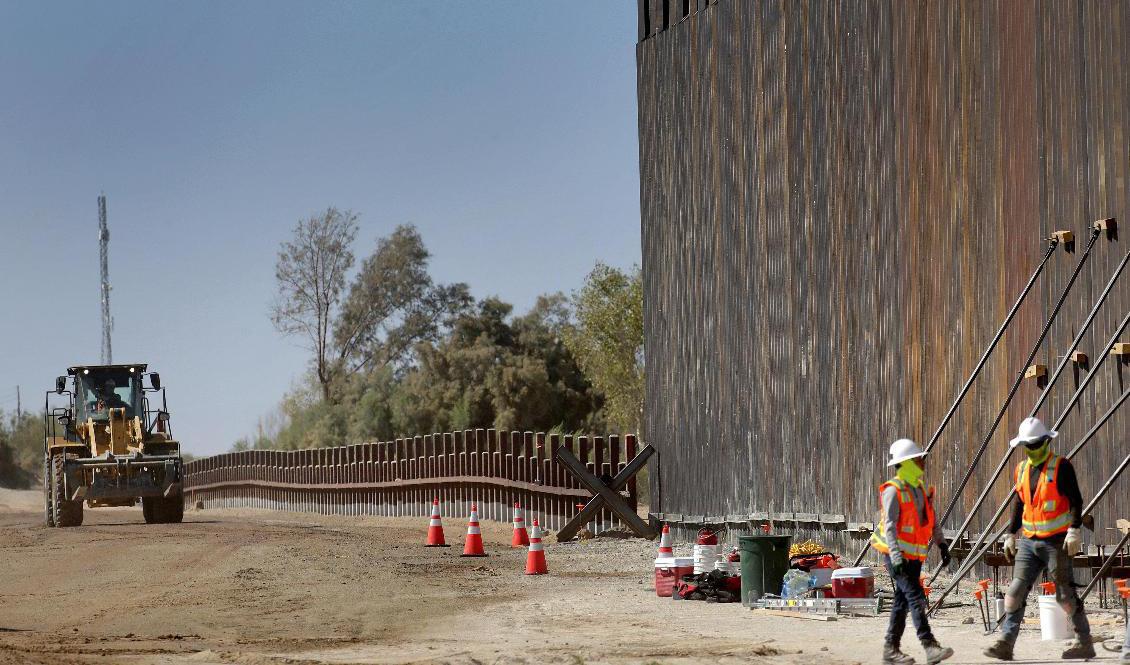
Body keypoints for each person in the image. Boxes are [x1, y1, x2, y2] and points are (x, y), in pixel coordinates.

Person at [984, 417, 1093, 660]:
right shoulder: (1022, 469)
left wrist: (1074, 530)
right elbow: (1019, 502)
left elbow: (1076, 500)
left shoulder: (1061, 467)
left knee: (1065, 596)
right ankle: (1006, 643)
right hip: (1029, 541)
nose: (1032, 450)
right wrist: (1010, 533)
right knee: (1015, 592)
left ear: (1045, 441)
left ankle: (1084, 641)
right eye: (1028, 446)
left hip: (1057, 542)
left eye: (1036, 444)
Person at [871, 438, 955, 665]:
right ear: (907, 463)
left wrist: (942, 545)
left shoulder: (921, 489)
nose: (923, 462)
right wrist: (896, 557)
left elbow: (932, 520)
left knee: (901, 602)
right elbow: (889, 526)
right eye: (919, 459)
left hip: (915, 557)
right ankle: (930, 646)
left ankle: (891, 650)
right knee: (916, 597)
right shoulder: (893, 490)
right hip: (897, 557)